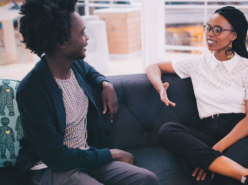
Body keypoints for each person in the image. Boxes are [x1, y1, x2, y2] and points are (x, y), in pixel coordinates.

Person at [16, 0, 159, 185]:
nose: (87, 38)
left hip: (85, 156)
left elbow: (90, 71)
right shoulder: (31, 91)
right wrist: (111, 153)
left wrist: (106, 84)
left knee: (146, 179)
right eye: (82, 33)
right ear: (61, 42)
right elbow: (56, 157)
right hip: (49, 167)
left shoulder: (75, 65)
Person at [146, 6, 248, 185]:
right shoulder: (198, 63)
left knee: (219, 177)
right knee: (167, 130)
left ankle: (226, 168)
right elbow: (154, 67)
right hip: (207, 132)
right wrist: (160, 86)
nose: (210, 34)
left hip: (243, 134)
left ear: (233, 35)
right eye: (208, 28)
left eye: (218, 30)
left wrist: (214, 152)